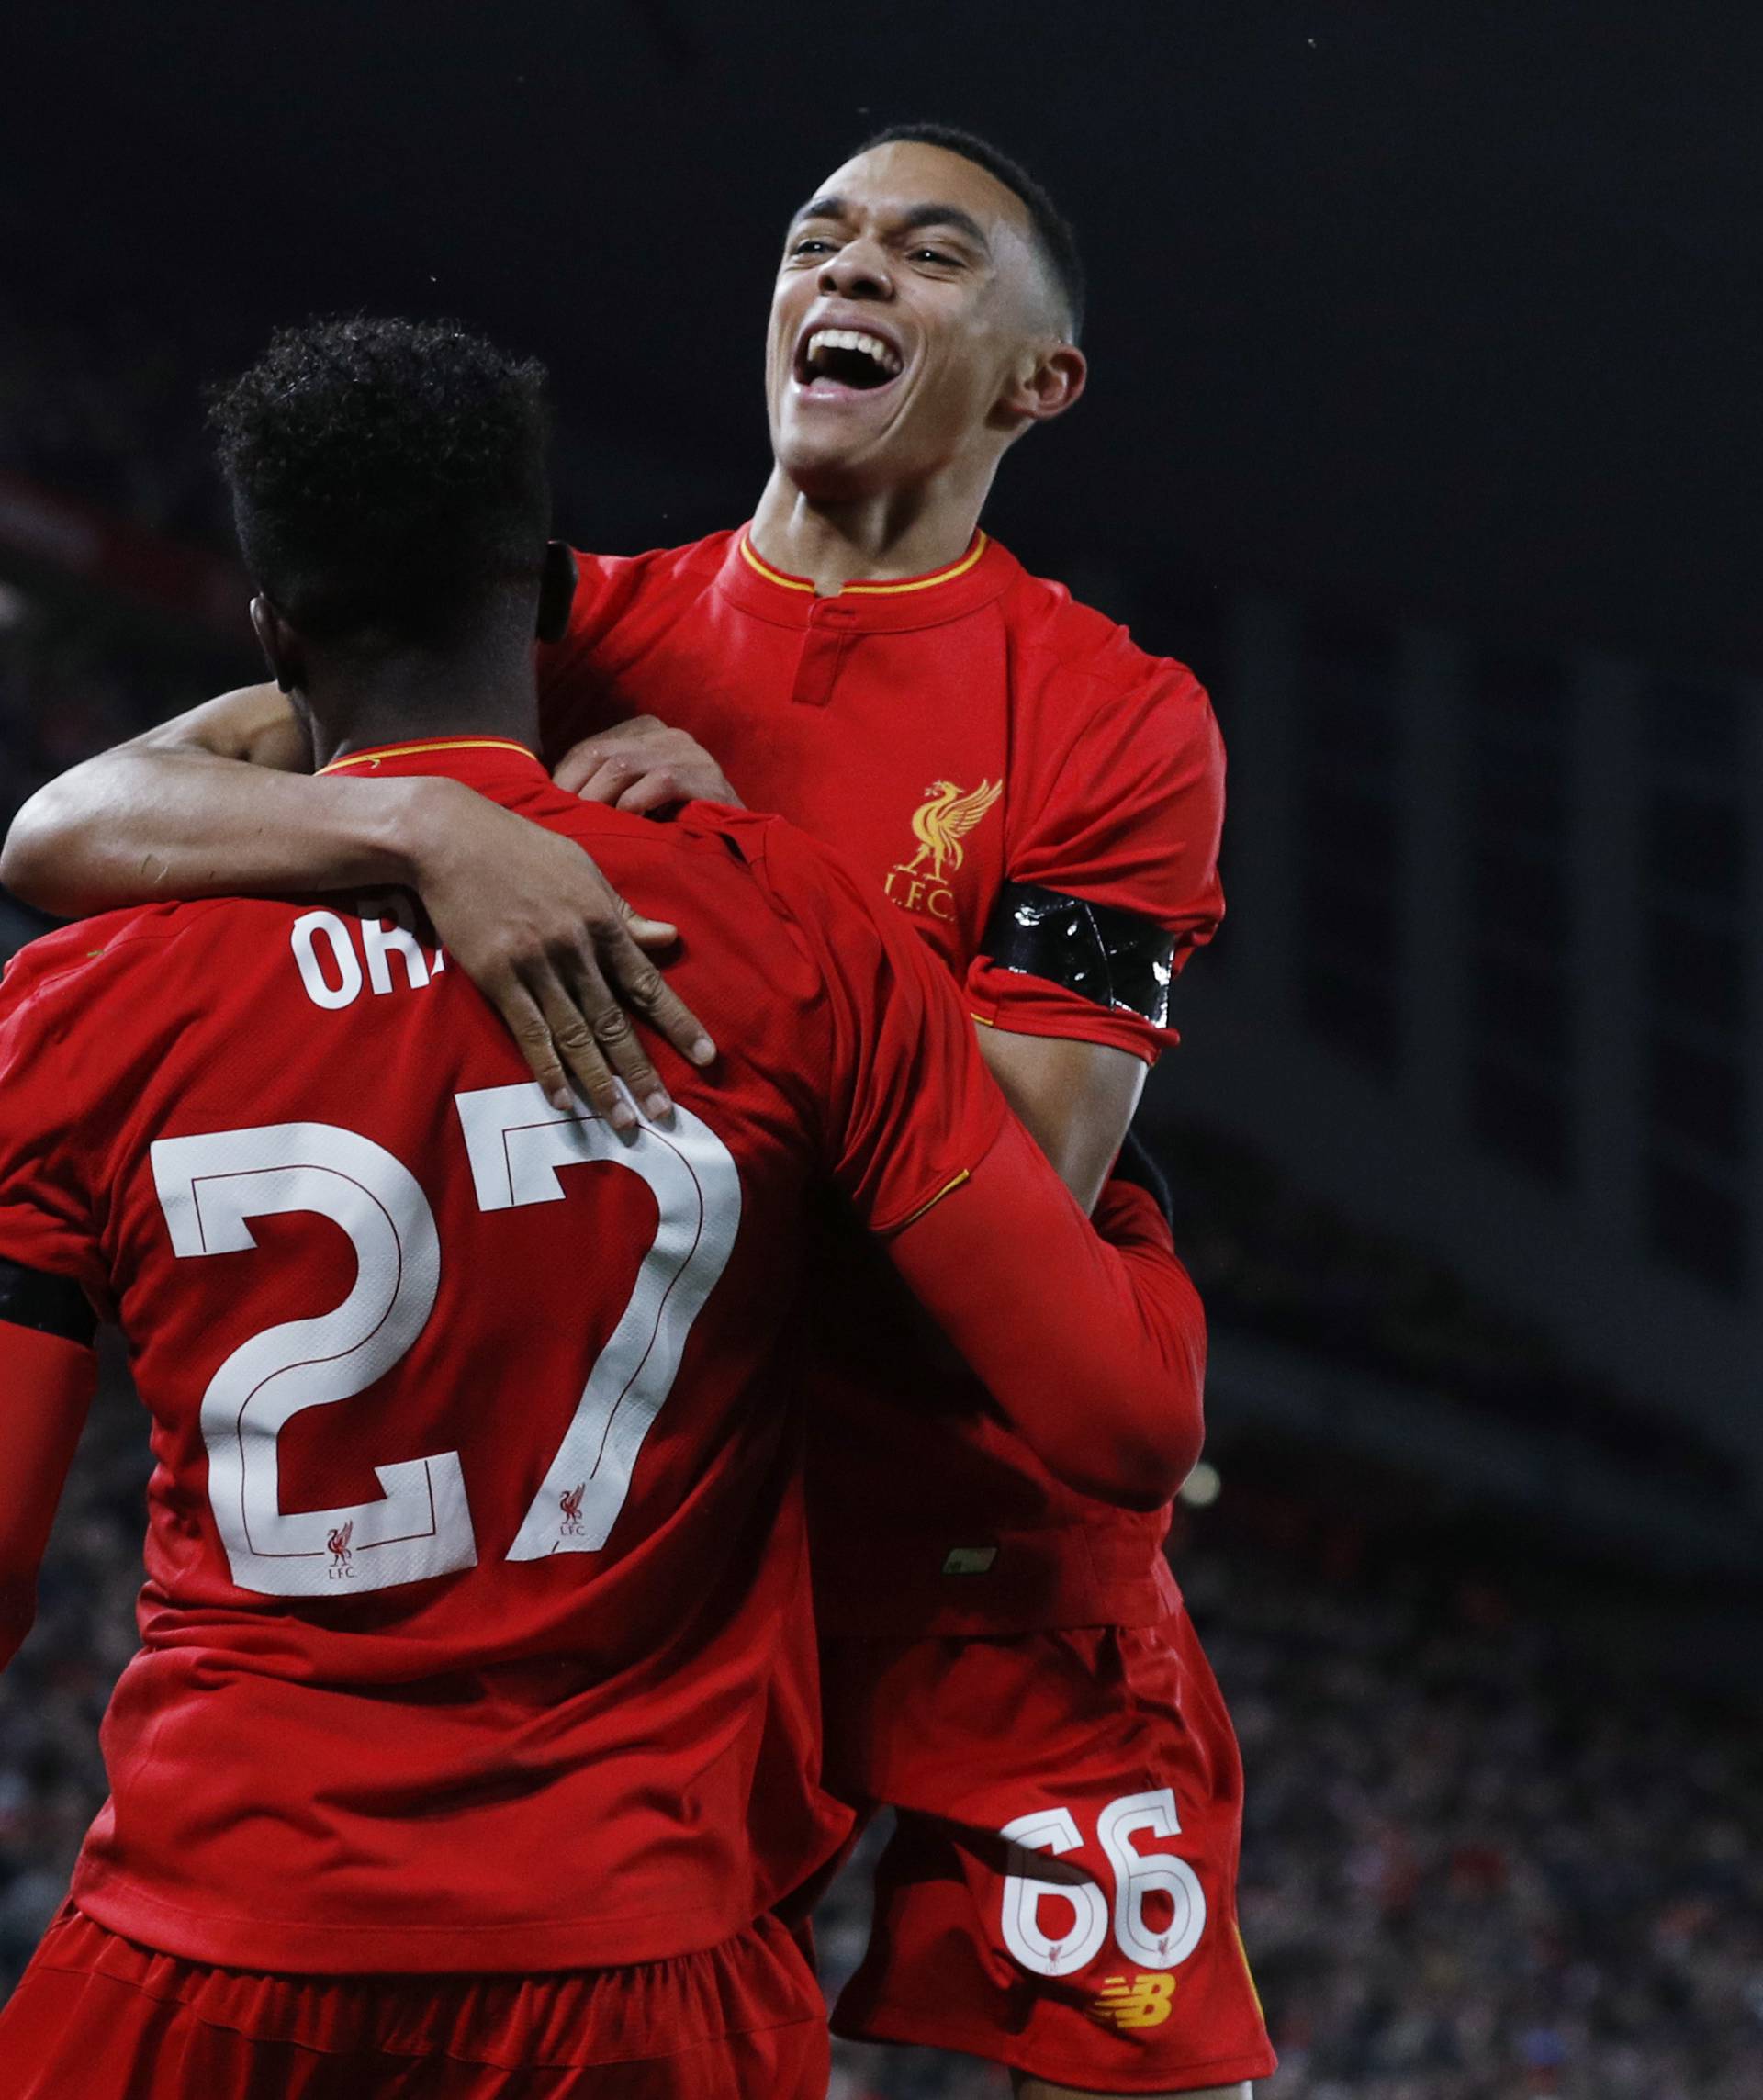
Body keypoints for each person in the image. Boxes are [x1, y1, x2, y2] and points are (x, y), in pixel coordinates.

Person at [4, 130, 1275, 2098]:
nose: (851, 274)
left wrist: (751, 881)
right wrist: (427, 820)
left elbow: (1020, 1190)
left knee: (1157, 2077)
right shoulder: (584, 616)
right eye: (816, 238)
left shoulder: (1114, 719)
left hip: (968, 1542)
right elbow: (73, 823)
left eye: (931, 256)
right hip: (683, 1538)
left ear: (1041, 378)